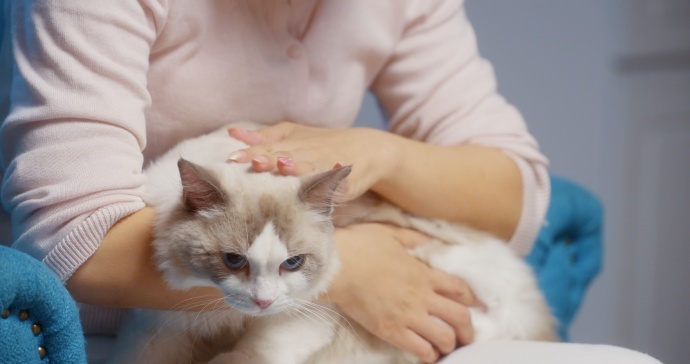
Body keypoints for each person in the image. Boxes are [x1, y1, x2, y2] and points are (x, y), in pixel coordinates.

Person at [0, 1, 660, 363]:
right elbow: (70, 238)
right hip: (114, 331)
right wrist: (344, 271)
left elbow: (519, 195)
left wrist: (384, 155)